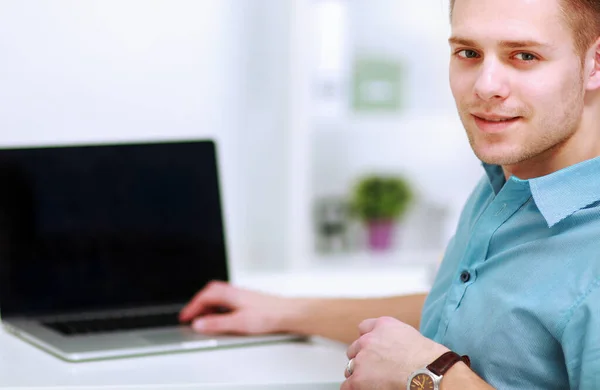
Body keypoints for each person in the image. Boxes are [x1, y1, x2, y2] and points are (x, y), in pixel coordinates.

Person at [179, 0, 600, 388]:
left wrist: (428, 376)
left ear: (594, 62)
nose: (485, 86)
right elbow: (469, 311)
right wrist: (286, 313)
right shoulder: (507, 180)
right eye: (468, 53)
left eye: (524, 56)